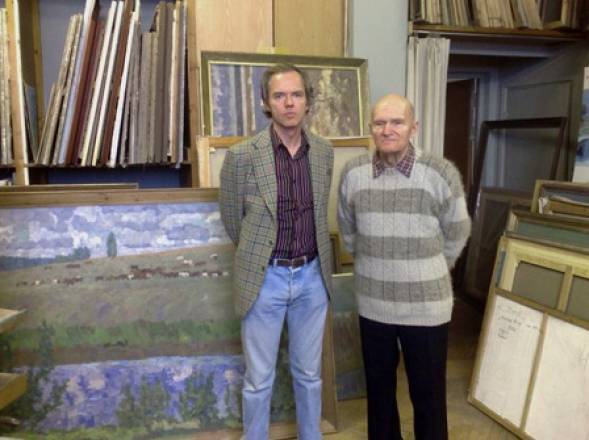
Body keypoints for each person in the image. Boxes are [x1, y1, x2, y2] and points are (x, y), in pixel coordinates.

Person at [337, 93, 471, 440]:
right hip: (374, 305)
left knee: (428, 398)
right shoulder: (353, 173)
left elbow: (458, 230)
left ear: (414, 127)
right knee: (379, 398)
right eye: (380, 122)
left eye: (396, 121)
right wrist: (376, 263)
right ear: (371, 129)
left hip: (426, 308)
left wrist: (431, 268)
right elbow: (348, 231)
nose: (387, 129)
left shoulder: (440, 173)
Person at [219, 63, 333, 440]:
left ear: (307, 101)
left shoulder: (323, 153)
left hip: (312, 279)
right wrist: (259, 258)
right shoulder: (241, 157)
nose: (289, 103)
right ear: (266, 103)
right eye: (280, 95)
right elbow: (234, 220)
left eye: (296, 95)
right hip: (264, 279)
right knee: (258, 379)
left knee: (309, 374)